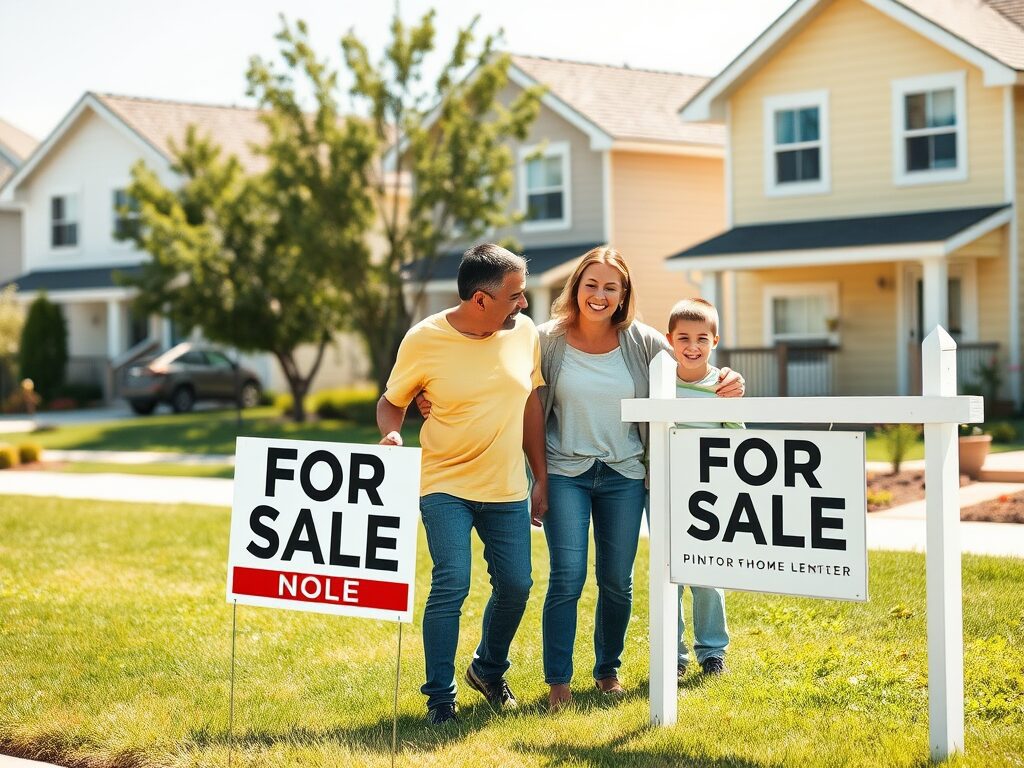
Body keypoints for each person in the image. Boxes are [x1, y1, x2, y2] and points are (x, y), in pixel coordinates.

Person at [536, 246, 744, 712]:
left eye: (611, 286)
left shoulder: (643, 341)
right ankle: (558, 681)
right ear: (576, 287)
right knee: (567, 578)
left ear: (624, 293)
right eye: (591, 284)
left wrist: (727, 381)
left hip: (624, 473)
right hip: (566, 471)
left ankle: (607, 670)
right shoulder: (546, 339)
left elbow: (694, 358)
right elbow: (510, 383)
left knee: (617, 580)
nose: (600, 294)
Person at [377, 243, 548, 726]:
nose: (524, 304)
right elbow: (393, 401)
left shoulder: (523, 334)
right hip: (444, 482)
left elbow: (530, 404)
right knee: (451, 583)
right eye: (515, 295)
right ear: (479, 299)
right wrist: (391, 431)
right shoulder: (424, 339)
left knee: (516, 585)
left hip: (506, 485)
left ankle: (488, 671)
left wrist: (542, 474)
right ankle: (440, 699)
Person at [664, 297, 743, 678]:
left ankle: (712, 652)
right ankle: (673, 657)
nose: (692, 346)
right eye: (683, 338)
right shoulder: (660, 382)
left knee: (708, 575)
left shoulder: (723, 387)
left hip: (710, 495)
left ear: (715, 341)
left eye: (701, 338)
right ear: (670, 339)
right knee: (671, 578)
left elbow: (737, 440)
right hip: (665, 492)